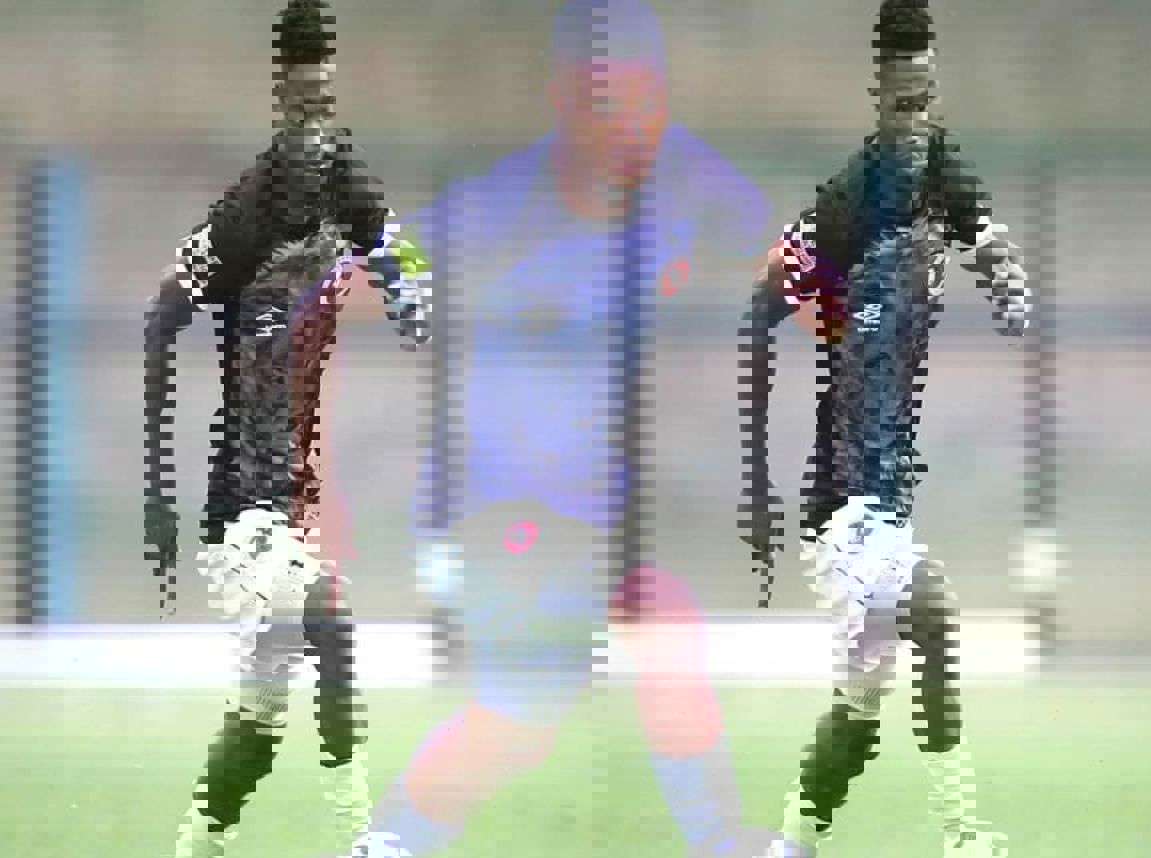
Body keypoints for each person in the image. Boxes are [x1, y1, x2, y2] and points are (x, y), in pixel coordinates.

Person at [342, 2, 776, 856]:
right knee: (526, 710)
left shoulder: (693, 183)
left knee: (663, 637)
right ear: (562, 98)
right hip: (506, 500)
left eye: (641, 95)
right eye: (599, 96)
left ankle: (721, 841)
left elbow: (783, 264)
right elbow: (361, 285)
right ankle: (387, 845)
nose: (622, 117)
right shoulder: (492, 209)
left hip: (611, 503)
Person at [740, 2, 1027, 856]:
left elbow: (988, 241)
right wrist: (755, 482)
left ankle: (791, 843)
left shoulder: (941, 169)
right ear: (880, 92)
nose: (915, 110)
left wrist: (1006, 281)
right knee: (934, 612)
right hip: (841, 501)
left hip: (888, 496)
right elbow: (760, 309)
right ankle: (964, 837)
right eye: (902, 94)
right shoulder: (848, 200)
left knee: (860, 711)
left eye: (925, 93)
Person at [143, 3, 430, 856]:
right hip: (240, 504)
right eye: (301, 97)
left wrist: (409, 289)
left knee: (261, 720)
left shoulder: (349, 185)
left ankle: (197, 844)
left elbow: (406, 269)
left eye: (323, 97)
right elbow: (160, 318)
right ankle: (360, 837)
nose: (314, 117)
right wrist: (156, 485)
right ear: (281, 96)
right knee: (330, 624)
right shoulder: (244, 214)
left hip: (290, 501)